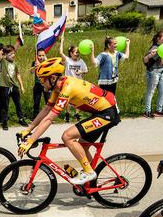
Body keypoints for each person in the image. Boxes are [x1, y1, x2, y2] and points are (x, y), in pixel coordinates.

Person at [20, 57, 120, 185]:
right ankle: (90, 181)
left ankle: (89, 172)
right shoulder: (59, 87)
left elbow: (50, 118)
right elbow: (47, 109)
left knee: (67, 136)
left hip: (107, 113)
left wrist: (30, 140)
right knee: (82, 146)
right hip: (101, 111)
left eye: (42, 79)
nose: (40, 82)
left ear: (52, 78)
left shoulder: (67, 88)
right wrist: (28, 129)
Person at [0, 31, 26, 131]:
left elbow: (18, 74)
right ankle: (5, 121)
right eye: (10, 54)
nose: (13, 55)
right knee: (5, 105)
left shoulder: (14, 63)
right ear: (5, 54)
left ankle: (21, 119)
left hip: (14, 86)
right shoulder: (2, 61)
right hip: (5, 87)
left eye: (13, 53)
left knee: (18, 104)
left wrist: (22, 86)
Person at [59, 34, 88, 122]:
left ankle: (77, 114)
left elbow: (86, 70)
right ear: (71, 53)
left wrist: (81, 72)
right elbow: (60, 52)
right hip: (69, 83)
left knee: (78, 99)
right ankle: (67, 114)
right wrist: (62, 41)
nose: (77, 54)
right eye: (75, 52)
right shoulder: (68, 60)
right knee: (68, 99)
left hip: (78, 83)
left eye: (78, 52)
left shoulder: (81, 61)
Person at [142, 30, 163, 118]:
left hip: (161, 71)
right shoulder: (155, 47)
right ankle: (147, 111)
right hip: (154, 72)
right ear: (158, 38)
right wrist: (151, 55)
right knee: (151, 91)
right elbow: (145, 59)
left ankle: (159, 110)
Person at [29, 49, 50, 120]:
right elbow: (31, 72)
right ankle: (35, 117)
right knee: (36, 102)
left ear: (45, 55)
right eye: (39, 55)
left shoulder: (47, 62)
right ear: (36, 56)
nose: (41, 57)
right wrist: (34, 67)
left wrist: (43, 64)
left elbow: (50, 71)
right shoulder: (35, 62)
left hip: (46, 85)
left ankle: (49, 117)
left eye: (43, 55)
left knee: (48, 101)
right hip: (37, 84)